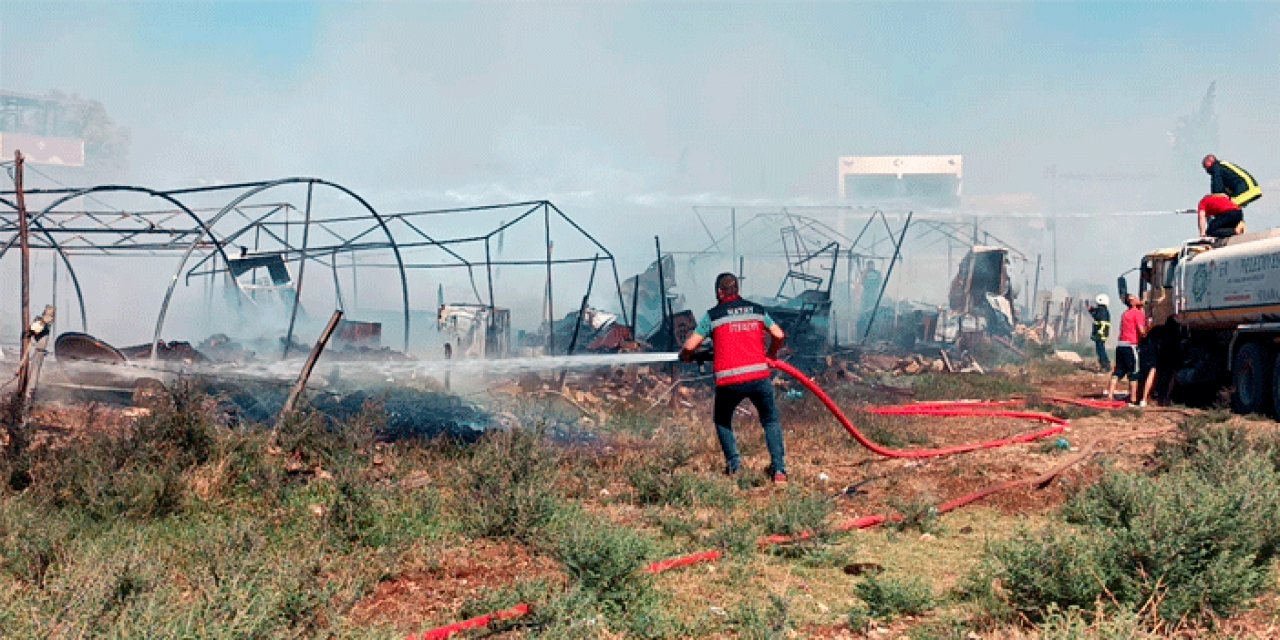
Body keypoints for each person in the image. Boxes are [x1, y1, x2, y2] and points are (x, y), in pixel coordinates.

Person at [679, 272, 789, 483]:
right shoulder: (757, 310)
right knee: (770, 420)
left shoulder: (713, 315)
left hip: (729, 382)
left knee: (722, 420)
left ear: (720, 292)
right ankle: (779, 471)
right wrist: (772, 354)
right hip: (759, 377)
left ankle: (735, 467)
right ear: (737, 289)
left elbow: (690, 346)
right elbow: (779, 335)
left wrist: (685, 356)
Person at [1106, 294, 1148, 404]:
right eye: (1137, 298)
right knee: (1134, 373)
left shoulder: (1125, 313)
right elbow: (1141, 331)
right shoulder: (1137, 313)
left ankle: (1110, 395)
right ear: (1133, 301)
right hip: (1131, 346)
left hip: (1121, 345)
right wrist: (1149, 329)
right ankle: (1133, 399)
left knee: (1118, 371)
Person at [1087, 294, 1111, 372]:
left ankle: (1105, 366)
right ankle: (1104, 365)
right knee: (1100, 349)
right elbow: (1096, 314)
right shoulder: (1103, 310)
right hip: (1101, 334)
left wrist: (1099, 334)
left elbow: (1099, 319)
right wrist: (1091, 310)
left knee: (1100, 350)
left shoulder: (1102, 311)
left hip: (1100, 334)